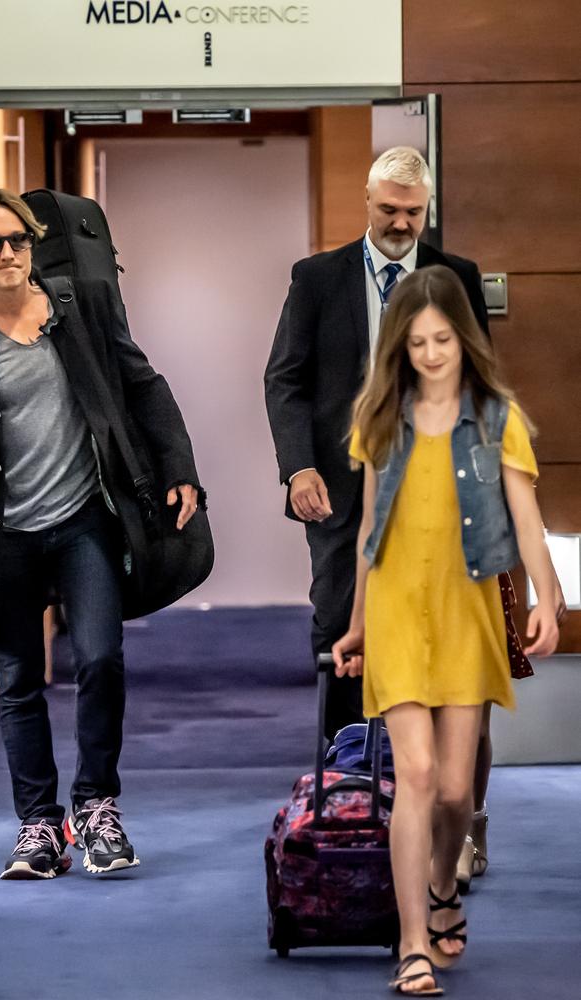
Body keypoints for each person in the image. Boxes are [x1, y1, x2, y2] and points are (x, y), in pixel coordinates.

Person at [0, 189, 204, 880]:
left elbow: (144, 384)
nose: (8, 255)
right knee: (18, 679)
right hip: (5, 534)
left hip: (83, 518)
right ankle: (38, 826)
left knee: (100, 658)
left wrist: (180, 468)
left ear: (31, 245)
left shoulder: (78, 307)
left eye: (17, 241)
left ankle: (97, 807)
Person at [331, 264, 559, 996]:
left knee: (457, 790)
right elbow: (369, 527)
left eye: (444, 340)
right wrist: (355, 624)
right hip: (398, 609)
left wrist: (547, 600)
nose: (431, 354)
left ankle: (442, 885)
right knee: (419, 777)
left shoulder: (498, 418)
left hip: (466, 615)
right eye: (418, 341)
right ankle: (412, 944)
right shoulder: (380, 417)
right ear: (400, 344)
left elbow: (527, 520)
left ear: (465, 339)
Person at [264, 146, 489, 743]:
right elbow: (285, 378)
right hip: (339, 487)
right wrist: (298, 467)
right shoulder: (317, 278)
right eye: (389, 209)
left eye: (413, 213)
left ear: (427, 210)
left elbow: (479, 384)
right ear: (366, 202)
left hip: (436, 485)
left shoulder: (455, 278)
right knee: (341, 620)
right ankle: (345, 764)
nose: (399, 224)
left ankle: (419, 770)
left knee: (432, 627)